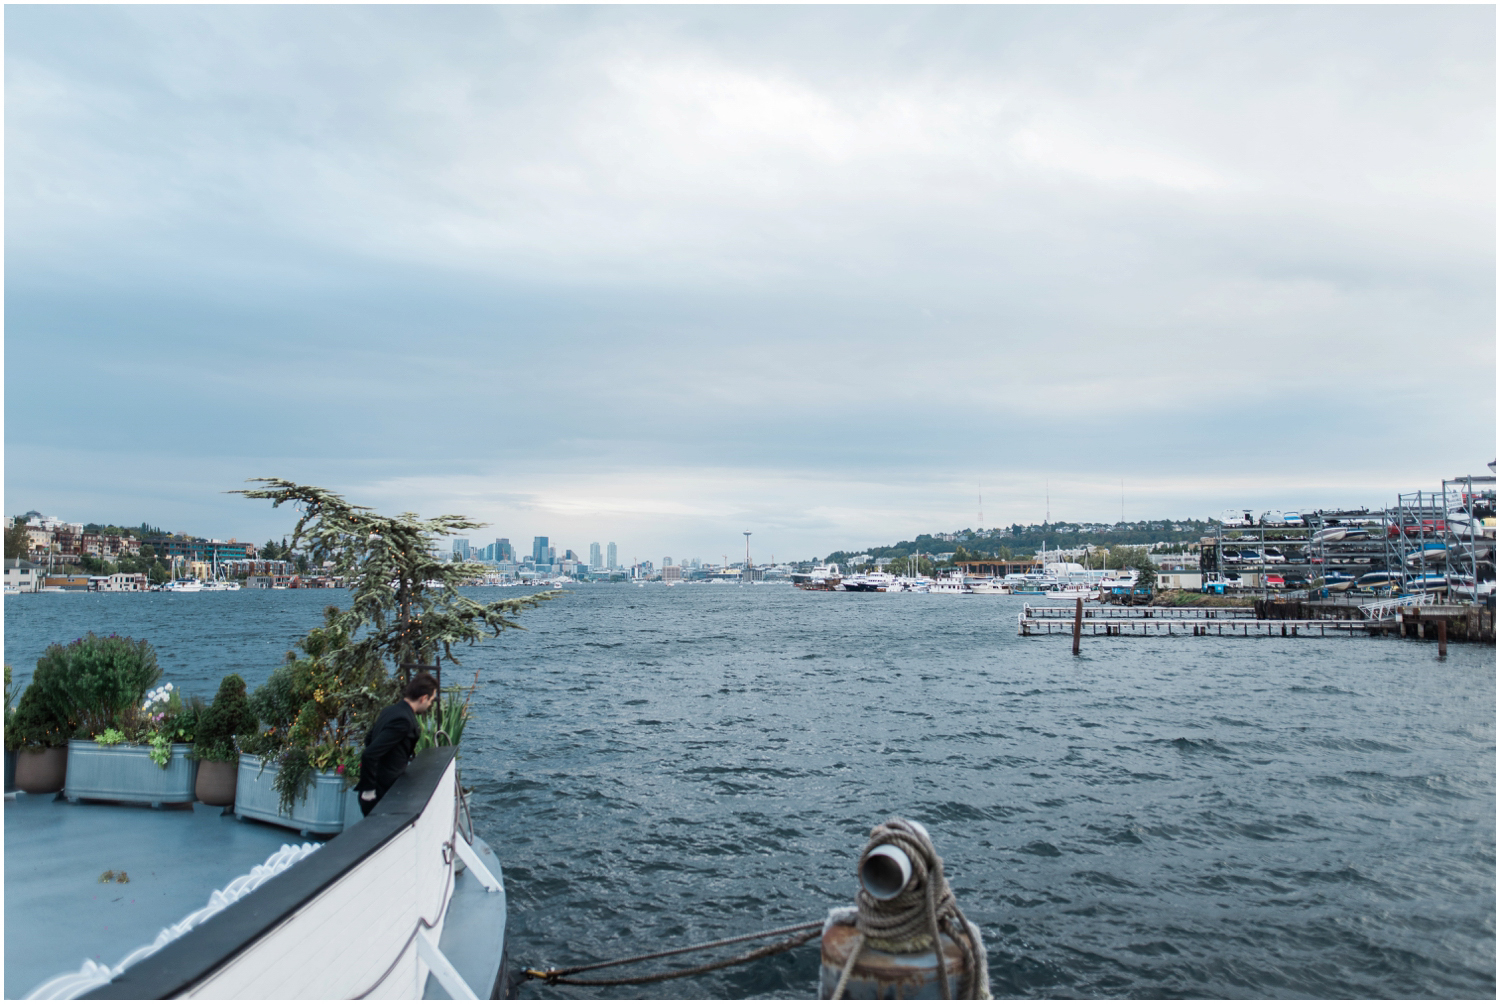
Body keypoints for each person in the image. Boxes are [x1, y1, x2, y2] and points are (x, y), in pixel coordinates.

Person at [357, 673, 438, 815]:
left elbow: (369, 739)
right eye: (431, 700)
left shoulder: (390, 710)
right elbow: (369, 753)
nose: (430, 704)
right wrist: (369, 791)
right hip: (381, 794)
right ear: (423, 698)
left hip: (379, 789)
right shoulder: (404, 720)